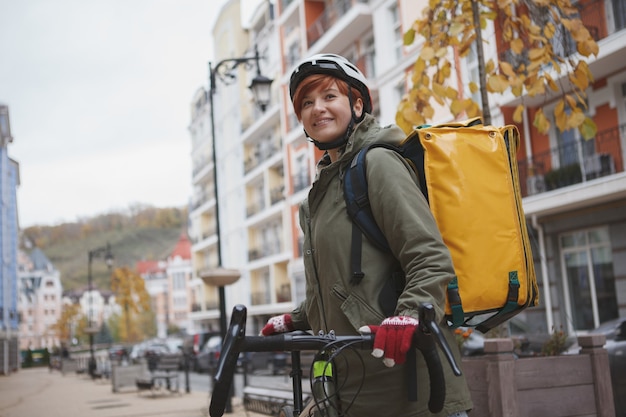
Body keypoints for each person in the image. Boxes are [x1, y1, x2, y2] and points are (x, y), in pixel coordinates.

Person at [261, 54, 473, 417]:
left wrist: (407, 315)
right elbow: (340, 288)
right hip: (354, 393)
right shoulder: (318, 196)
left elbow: (430, 258)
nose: (317, 109)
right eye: (306, 104)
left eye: (329, 97)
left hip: (414, 393)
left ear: (357, 104)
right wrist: (296, 318)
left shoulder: (377, 164)